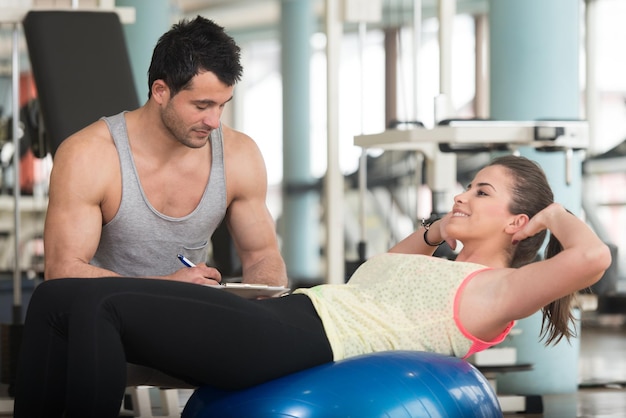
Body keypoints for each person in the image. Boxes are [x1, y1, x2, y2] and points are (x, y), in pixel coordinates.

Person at [14, 155, 611, 417]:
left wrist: (552, 213)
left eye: (482, 192)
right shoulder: (441, 262)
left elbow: (592, 257)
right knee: (56, 295)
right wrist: (437, 229)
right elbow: (379, 268)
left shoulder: (497, 289)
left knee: (101, 305)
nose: (462, 194)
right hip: (288, 315)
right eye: (468, 185)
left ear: (516, 222)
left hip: (293, 343)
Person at [41, 16, 288, 388]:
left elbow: (264, 257)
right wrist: (168, 287)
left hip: (189, 321)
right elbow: (62, 271)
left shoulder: (239, 155)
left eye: (222, 105)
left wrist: (257, 306)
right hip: (107, 321)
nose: (215, 121)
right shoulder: (89, 155)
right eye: (202, 105)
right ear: (160, 91)